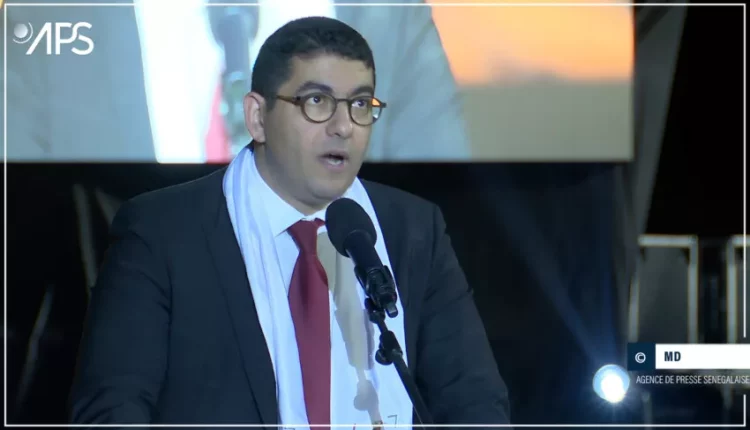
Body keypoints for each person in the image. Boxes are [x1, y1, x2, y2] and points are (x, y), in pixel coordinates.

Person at [69, 17, 509, 427]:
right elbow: (111, 410)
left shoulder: (414, 229)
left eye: (359, 104)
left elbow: (475, 403)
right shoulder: (161, 232)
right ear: (257, 118)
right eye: (317, 101)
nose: (343, 126)